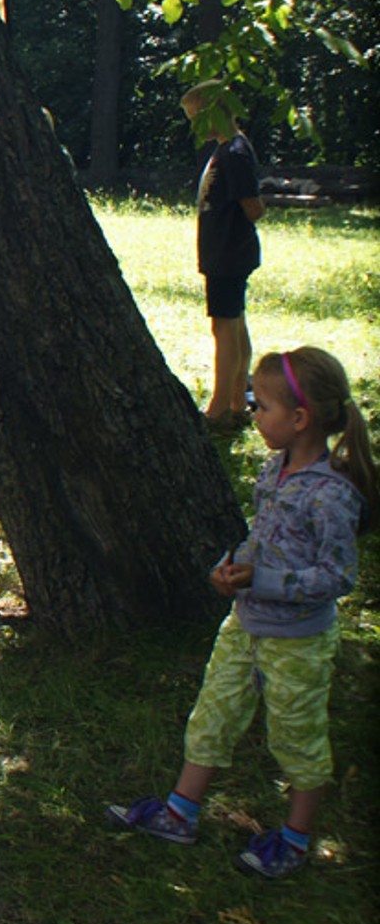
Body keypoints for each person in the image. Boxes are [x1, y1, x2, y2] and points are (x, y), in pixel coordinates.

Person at [108, 346, 373, 879]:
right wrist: (232, 566)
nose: (252, 414)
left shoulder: (331, 495)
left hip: (298, 641)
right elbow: (263, 538)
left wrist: (265, 580)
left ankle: (295, 840)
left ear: (299, 419)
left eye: (261, 406)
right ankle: (180, 812)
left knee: (296, 737)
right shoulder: (275, 470)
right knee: (213, 715)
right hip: (245, 626)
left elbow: (337, 577)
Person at [181, 80, 264, 432]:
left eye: (196, 117)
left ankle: (220, 408)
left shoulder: (236, 153)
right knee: (233, 321)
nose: (194, 126)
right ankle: (236, 396)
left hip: (230, 253)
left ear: (215, 110)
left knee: (225, 327)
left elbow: (253, 208)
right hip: (220, 253)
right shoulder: (225, 150)